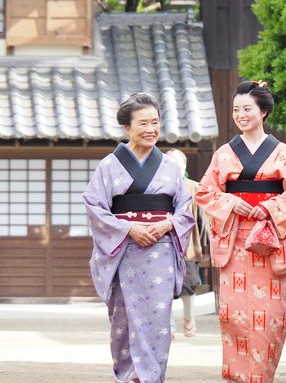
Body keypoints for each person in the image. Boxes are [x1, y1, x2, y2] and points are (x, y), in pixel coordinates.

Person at [196, 80, 286, 382]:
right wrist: (231, 201)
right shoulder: (224, 153)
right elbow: (205, 192)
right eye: (236, 109)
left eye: (247, 108)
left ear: (263, 111)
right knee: (233, 316)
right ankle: (235, 377)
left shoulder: (283, 153)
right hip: (235, 240)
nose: (240, 114)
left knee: (270, 318)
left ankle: (262, 377)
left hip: (268, 240)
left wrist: (270, 208)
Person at [83, 92, 194, 383]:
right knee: (124, 319)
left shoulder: (170, 166)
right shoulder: (109, 166)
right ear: (127, 128)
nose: (151, 130)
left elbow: (185, 210)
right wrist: (129, 229)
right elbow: (95, 208)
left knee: (158, 321)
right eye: (143, 123)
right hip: (124, 252)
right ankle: (128, 376)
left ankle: (151, 378)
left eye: (155, 123)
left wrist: (167, 224)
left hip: (161, 251)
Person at [165, 148, 211, 338]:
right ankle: (168, 328)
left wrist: (211, 242)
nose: (174, 167)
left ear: (184, 165)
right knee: (163, 289)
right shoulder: (157, 186)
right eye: (170, 163)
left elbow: (206, 217)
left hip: (187, 246)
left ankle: (189, 321)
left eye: (178, 163)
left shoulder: (194, 186)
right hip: (162, 245)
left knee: (188, 285)